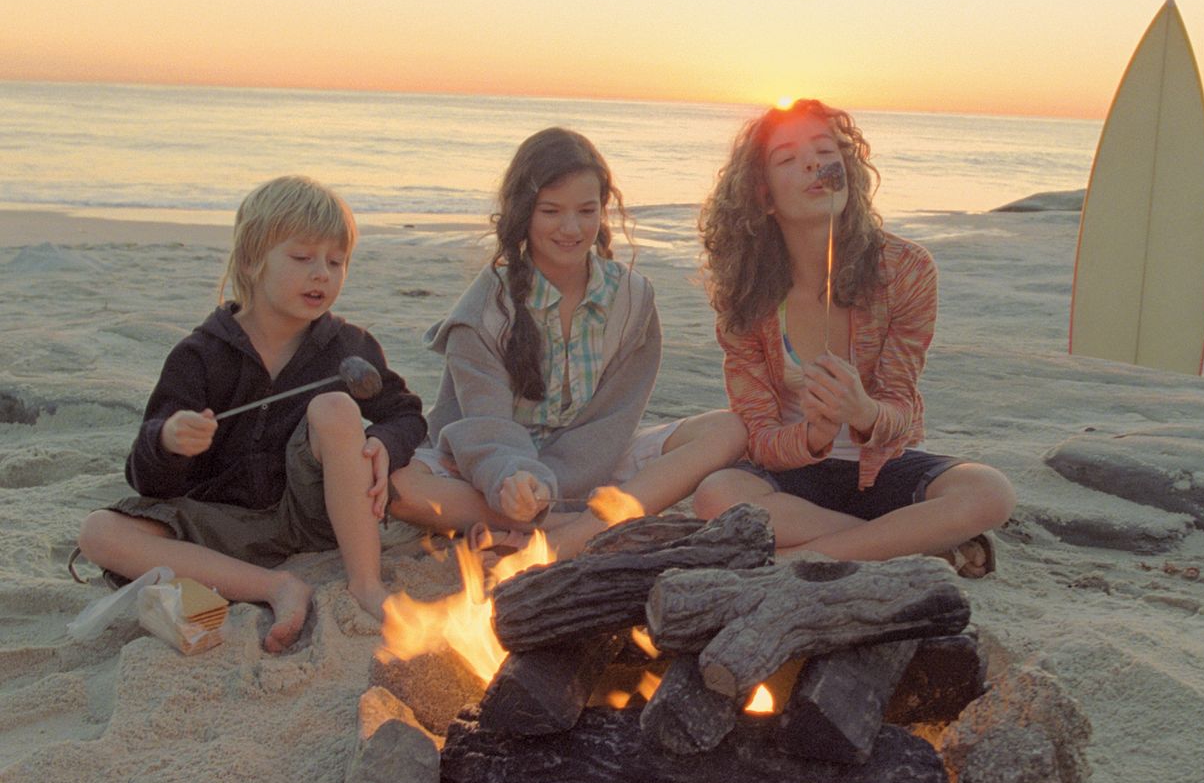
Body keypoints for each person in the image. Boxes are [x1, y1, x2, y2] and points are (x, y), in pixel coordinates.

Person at [76, 176, 427, 652]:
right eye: (302, 258)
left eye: (336, 261)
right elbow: (149, 484)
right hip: (221, 523)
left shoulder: (349, 347)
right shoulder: (199, 355)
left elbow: (407, 414)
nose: (322, 274)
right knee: (99, 532)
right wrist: (169, 442)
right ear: (250, 261)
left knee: (334, 406)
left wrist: (384, 441)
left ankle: (366, 583)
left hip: (315, 514)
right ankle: (276, 587)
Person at [388, 127, 745, 559]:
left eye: (586, 210)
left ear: (603, 211)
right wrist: (517, 481)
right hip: (498, 470)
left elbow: (613, 420)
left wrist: (555, 483)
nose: (571, 228)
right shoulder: (486, 308)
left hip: (593, 462)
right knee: (402, 488)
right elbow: (485, 424)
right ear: (523, 212)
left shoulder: (631, 299)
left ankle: (559, 538)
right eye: (551, 211)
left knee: (727, 428)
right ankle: (593, 526)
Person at [691, 99, 1014, 575]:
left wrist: (863, 411)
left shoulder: (905, 270)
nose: (814, 164)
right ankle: (909, 543)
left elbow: (901, 408)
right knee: (716, 496)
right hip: (791, 478)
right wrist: (813, 435)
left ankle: (803, 556)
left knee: (989, 491)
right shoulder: (746, 294)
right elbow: (758, 436)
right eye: (788, 158)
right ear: (763, 196)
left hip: (879, 467)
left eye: (826, 152)